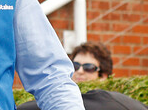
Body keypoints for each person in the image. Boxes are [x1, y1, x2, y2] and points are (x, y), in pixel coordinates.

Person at [18, 42, 148, 109]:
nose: (80, 71)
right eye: (75, 66)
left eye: (89, 68)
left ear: (103, 75)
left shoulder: (109, 101)